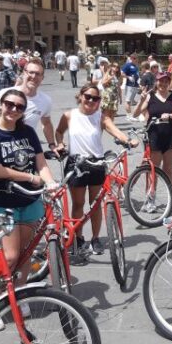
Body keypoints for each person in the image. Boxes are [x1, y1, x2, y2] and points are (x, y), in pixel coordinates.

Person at [0, 88, 56, 336]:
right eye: (9, 104)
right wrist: (31, 178)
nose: (13, 110)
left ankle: (18, 298)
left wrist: (50, 182)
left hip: (30, 201)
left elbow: (40, 161)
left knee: (26, 255)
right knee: (9, 257)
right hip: (2, 201)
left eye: (19, 107)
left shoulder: (27, 132)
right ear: (0, 105)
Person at [55, 83, 138, 254]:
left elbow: (116, 131)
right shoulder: (69, 115)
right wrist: (60, 144)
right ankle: (78, 238)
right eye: (88, 97)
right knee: (78, 203)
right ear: (81, 96)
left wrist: (128, 141)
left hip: (97, 165)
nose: (91, 101)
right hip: (76, 163)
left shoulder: (101, 117)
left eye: (96, 98)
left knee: (95, 204)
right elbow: (58, 132)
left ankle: (95, 238)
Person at [0, 57, 57, 149]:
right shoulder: (6, 93)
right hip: (0, 145)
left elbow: (46, 123)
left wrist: (52, 145)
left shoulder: (45, 100)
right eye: (31, 72)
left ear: (42, 78)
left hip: (25, 149)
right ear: (24, 73)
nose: (34, 76)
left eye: (38, 74)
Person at [134, 71, 172, 190]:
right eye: (161, 81)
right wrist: (141, 100)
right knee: (154, 168)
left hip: (170, 135)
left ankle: (171, 196)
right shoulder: (150, 96)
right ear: (156, 82)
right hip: (154, 135)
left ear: (169, 83)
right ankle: (151, 197)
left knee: (168, 168)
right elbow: (135, 114)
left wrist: (169, 115)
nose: (163, 84)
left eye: (166, 81)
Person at [121, 53, 140, 121]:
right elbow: (122, 73)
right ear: (131, 58)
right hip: (129, 85)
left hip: (135, 85)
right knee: (128, 101)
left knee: (131, 101)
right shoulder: (127, 65)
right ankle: (128, 116)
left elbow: (137, 75)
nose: (136, 59)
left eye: (136, 58)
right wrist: (128, 77)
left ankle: (130, 115)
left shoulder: (136, 66)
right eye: (134, 58)